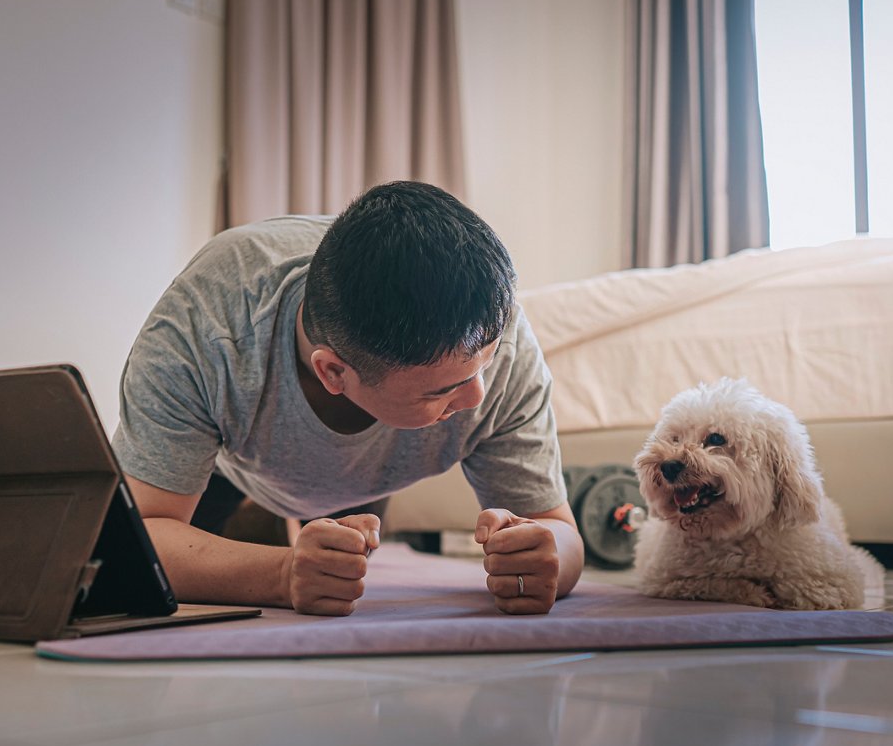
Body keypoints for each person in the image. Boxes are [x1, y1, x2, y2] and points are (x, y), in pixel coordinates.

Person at [112, 180, 584, 616]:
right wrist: (279, 574)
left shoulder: (494, 336)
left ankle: (286, 528)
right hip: (229, 459)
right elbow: (132, 543)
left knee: (341, 570)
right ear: (333, 372)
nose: (478, 396)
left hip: (368, 478)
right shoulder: (206, 329)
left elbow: (559, 532)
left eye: (485, 364)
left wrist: (543, 558)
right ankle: (264, 523)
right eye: (442, 390)